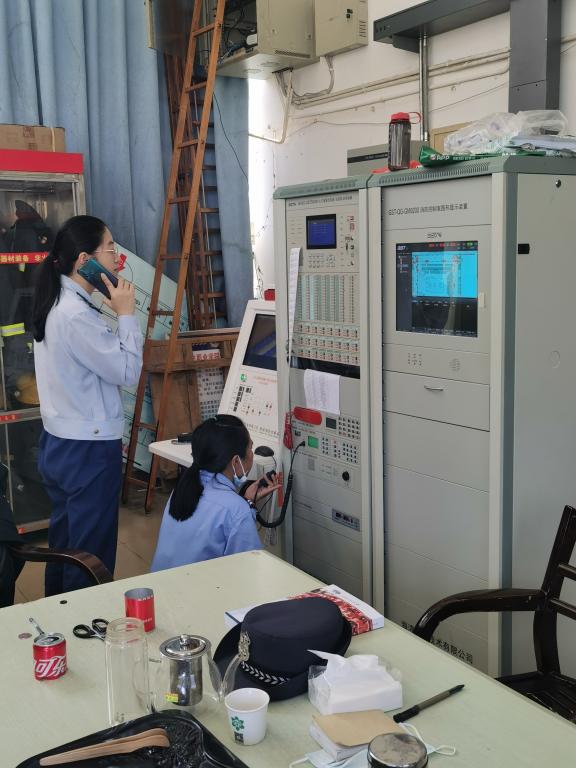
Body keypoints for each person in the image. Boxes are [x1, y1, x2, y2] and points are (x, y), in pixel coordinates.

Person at [32, 215, 143, 595]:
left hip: (59, 444)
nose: (117, 258)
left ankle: (59, 616)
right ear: (85, 260)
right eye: (110, 248)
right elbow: (128, 371)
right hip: (87, 451)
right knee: (90, 555)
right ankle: (85, 619)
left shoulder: (58, 300)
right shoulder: (76, 315)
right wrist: (126, 314)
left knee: (65, 546)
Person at [151, 415, 279, 571]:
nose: (252, 454)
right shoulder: (236, 510)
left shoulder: (182, 489)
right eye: (250, 448)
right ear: (236, 461)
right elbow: (249, 569)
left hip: (163, 583)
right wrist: (243, 506)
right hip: (199, 586)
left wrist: (247, 501)